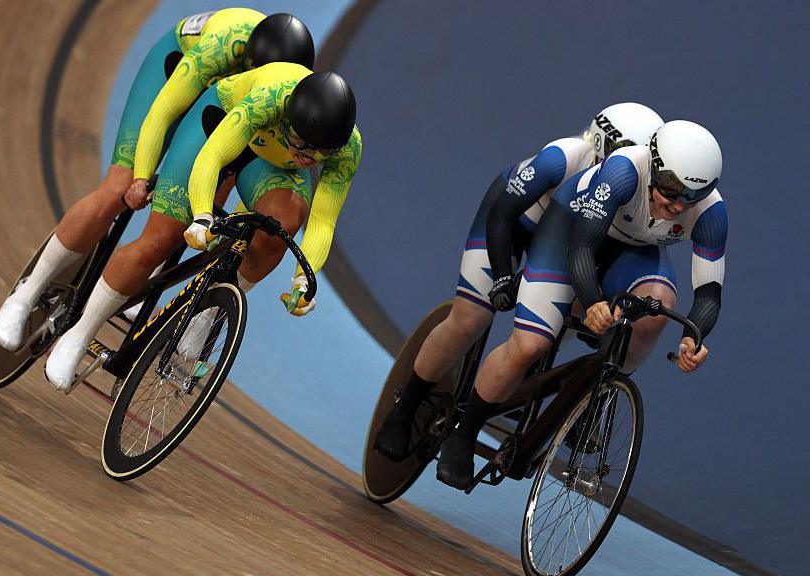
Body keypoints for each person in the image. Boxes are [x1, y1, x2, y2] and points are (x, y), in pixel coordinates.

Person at [0, 9, 315, 350]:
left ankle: (143, 277)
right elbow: (162, 112)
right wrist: (141, 177)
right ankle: (25, 295)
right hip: (174, 75)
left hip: (223, 108)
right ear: (248, 63)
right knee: (117, 189)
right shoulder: (223, 46)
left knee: (206, 194)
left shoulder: (287, 91)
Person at [435, 119, 728, 489]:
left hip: (633, 250)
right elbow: (582, 247)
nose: (677, 204)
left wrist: (695, 336)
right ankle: (463, 434)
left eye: (691, 197)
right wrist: (591, 300)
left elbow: (709, 291)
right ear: (653, 164)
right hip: (571, 231)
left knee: (658, 307)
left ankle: (596, 396)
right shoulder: (623, 172)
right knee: (530, 345)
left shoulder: (713, 213)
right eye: (670, 188)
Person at [44, 62, 361, 392]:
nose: (307, 155)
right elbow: (212, 157)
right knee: (161, 239)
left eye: (320, 152)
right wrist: (201, 215)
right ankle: (78, 334)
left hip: (269, 160)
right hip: (218, 125)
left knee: (280, 228)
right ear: (289, 118)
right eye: (300, 141)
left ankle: (203, 316)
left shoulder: (348, 149)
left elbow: (323, 220)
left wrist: (303, 278)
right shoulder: (269, 99)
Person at [374, 103, 664, 461]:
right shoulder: (561, 159)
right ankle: (405, 408)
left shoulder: (634, 191)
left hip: (560, 243)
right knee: (471, 320)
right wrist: (504, 277)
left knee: (567, 312)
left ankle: (520, 381)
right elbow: (501, 217)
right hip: (511, 228)